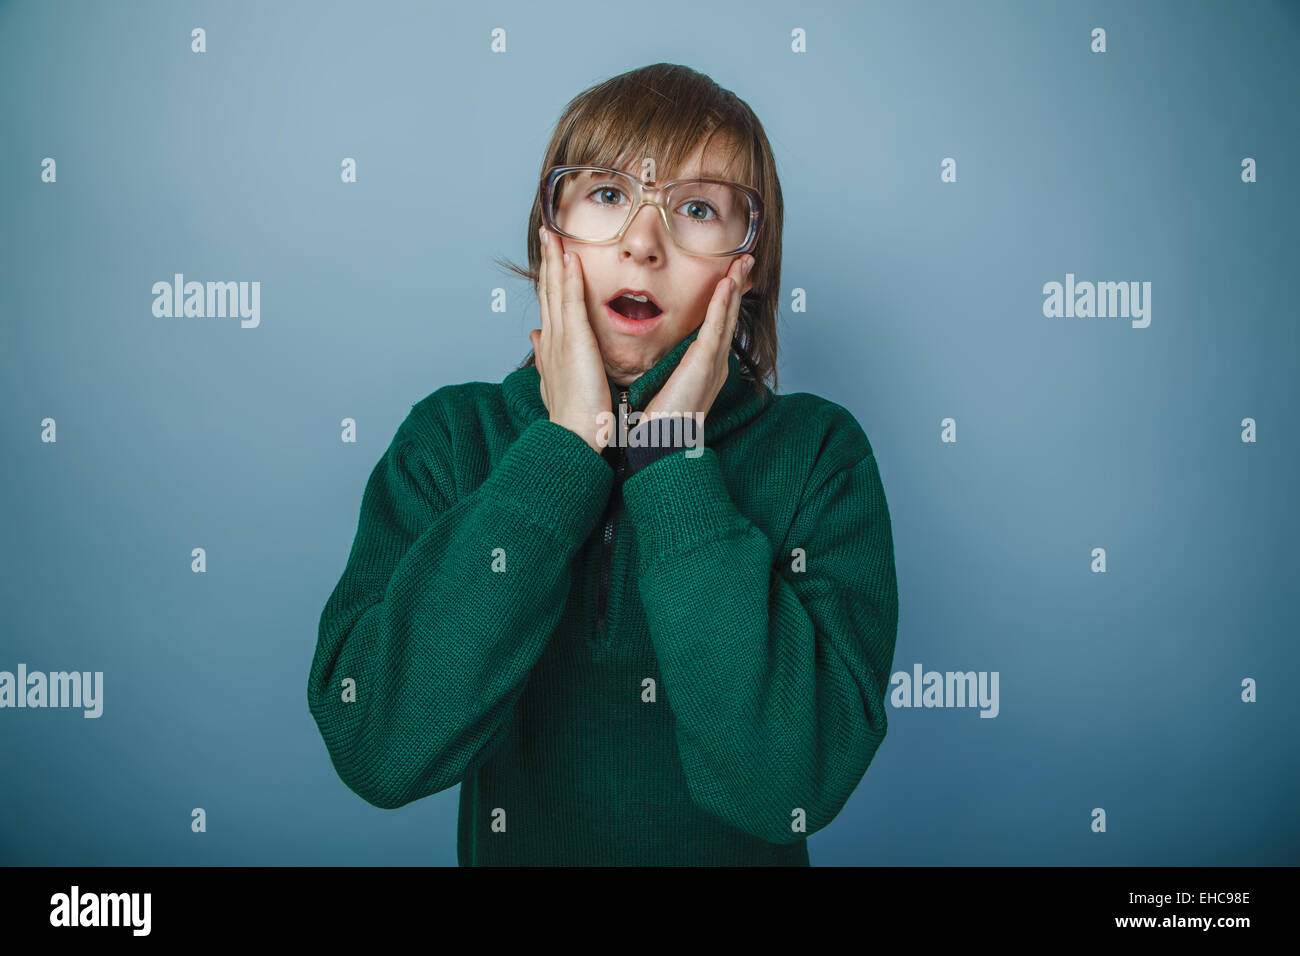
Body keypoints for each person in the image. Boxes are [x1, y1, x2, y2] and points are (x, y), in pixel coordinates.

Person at [307, 62, 900, 866]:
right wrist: (562, 451)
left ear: (744, 269)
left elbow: (787, 788)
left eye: (696, 209)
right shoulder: (451, 440)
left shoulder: (821, 456)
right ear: (550, 233)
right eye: (609, 194)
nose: (643, 242)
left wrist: (669, 463)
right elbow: (379, 748)